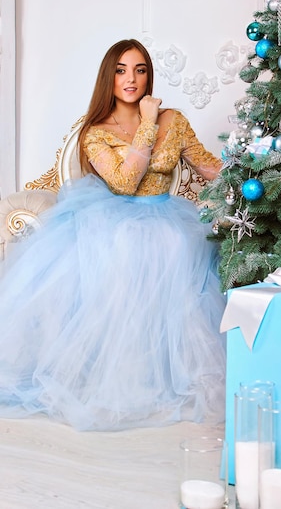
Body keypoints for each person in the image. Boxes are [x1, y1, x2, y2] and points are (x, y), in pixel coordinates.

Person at [0, 39, 226, 431]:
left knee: (181, 246)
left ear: (149, 75)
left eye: (139, 70)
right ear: (109, 76)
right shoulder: (96, 132)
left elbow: (208, 167)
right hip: (114, 217)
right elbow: (124, 181)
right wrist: (148, 121)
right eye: (121, 70)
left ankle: (165, 373)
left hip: (166, 216)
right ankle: (118, 375)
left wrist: (258, 169)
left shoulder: (175, 120)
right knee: (121, 250)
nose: (131, 78)